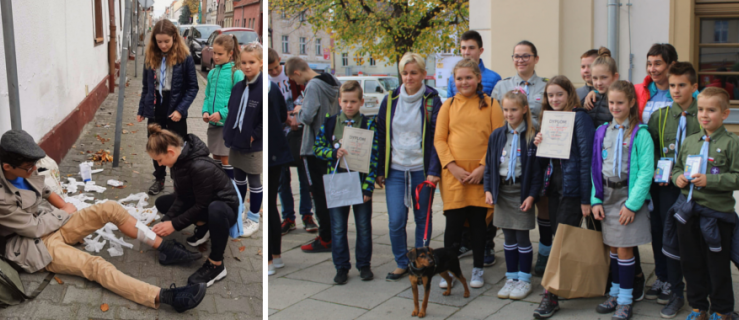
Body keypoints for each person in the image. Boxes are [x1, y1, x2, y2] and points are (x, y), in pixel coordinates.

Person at [0, 130, 205, 313]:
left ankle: (166, 248)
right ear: (8, 166)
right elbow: (34, 229)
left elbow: (44, 190)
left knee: (110, 208)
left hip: (53, 223)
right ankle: (166, 297)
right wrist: (64, 213)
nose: (33, 169)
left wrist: (63, 206)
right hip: (32, 245)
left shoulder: (25, 168)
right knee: (95, 266)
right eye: (29, 167)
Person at [668, 87, 739, 320]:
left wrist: (712, 180)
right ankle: (698, 308)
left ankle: (722, 310)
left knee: (717, 266)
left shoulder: (732, 143)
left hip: (717, 215)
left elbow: (737, 176)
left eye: (711, 110)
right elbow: (678, 167)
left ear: (725, 113)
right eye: (700, 109)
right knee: (691, 263)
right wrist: (676, 177)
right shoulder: (690, 142)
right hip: (689, 213)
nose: (704, 114)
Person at [435, 58, 504, 289]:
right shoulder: (448, 105)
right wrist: (452, 166)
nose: (464, 82)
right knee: (453, 227)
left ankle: (477, 269)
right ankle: (449, 270)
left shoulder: (492, 104)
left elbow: (498, 139)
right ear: (454, 81)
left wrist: (483, 168)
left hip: (480, 176)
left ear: (478, 78)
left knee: (478, 226)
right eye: (459, 78)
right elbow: (439, 139)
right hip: (454, 176)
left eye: (468, 77)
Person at [375, 52, 442, 281]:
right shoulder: (390, 100)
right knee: (396, 219)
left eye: (414, 72)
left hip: (420, 170)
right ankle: (402, 262)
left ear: (423, 74)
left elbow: (437, 137)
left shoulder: (433, 100)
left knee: (422, 219)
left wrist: (434, 170)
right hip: (395, 170)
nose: (409, 77)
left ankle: (420, 264)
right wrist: (379, 170)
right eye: (405, 73)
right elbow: (381, 134)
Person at [531, 76, 594, 319]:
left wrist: (586, 199)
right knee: (560, 238)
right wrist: (539, 144)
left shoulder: (580, 118)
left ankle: (550, 296)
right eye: (550, 95)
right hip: (554, 190)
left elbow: (587, 159)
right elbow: (544, 161)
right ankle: (558, 288)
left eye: (559, 94)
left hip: (573, 191)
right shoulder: (549, 120)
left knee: (560, 244)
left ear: (569, 94)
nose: (555, 99)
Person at [591, 80, 654, 320]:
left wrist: (632, 205)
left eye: (620, 102)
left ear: (630, 103)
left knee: (626, 248)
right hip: (607, 195)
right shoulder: (602, 132)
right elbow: (594, 168)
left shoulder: (641, 134)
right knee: (614, 247)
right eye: (611, 103)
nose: (615, 107)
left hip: (628, 198)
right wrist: (595, 199)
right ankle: (616, 292)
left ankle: (626, 300)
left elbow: (646, 172)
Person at [148, 124, 240, 287]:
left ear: (170, 152)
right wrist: (167, 220)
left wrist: (174, 225)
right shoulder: (179, 160)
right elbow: (183, 197)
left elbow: (201, 205)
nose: (160, 165)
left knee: (215, 209)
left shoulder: (199, 166)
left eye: (159, 160)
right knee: (163, 203)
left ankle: (216, 265)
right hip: (204, 202)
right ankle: (204, 227)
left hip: (224, 209)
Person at [646, 62, 700, 318]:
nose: (676, 91)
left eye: (682, 85)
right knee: (665, 235)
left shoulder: (702, 114)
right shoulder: (662, 115)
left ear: (694, 87)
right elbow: (653, 150)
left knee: (691, 238)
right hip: (665, 187)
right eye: (673, 85)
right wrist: (660, 172)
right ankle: (670, 284)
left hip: (695, 189)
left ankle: (697, 289)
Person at [492, 41, 551, 274]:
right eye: (516, 56)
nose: (520, 60)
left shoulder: (545, 87)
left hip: (538, 151)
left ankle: (545, 253)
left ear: (535, 59)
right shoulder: (501, 86)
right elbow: (496, 118)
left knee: (542, 203)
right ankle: (515, 270)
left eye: (526, 56)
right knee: (514, 214)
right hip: (512, 152)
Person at [313, 81, 379, 284]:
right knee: (339, 227)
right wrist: (333, 153)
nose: (349, 105)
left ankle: (364, 265)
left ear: (360, 102)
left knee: (363, 226)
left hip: (360, 184)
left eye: (353, 101)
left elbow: (373, 158)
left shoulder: (368, 124)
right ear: (339, 101)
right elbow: (318, 148)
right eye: (345, 101)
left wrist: (368, 187)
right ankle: (341, 266)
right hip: (339, 183)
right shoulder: (330, 123)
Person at [485, 88, 542, 301]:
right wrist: (488, 189)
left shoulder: (533, 136)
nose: (509, 114)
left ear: (525, 109)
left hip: (522, 193)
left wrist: (532, 196)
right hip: (503, 191)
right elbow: (490, 165)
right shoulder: (497, 135)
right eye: (506, 109)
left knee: (522, 237)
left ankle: (524, 279)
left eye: (514, 110)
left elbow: (537, 172)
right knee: (508, 237)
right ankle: (511, 277)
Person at [137, 19, 198, 196]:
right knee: (156, 144)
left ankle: (180, 183)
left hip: (176, 105)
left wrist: (181, 110)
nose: (163, 45)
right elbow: (146, 87)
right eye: (159, 41)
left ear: (174, 38)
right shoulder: (150, 57)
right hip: (156, 106)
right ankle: (159, 178)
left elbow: (193, 87)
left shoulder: (184, 58)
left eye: (167, 41)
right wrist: (142, 110)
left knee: (177, 146)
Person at [287, 57, 341, 253]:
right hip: (331, 146)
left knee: (318, 195)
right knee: (331, 194)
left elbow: (308, 116)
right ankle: (335, 234)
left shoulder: (313, 86)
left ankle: (325, 238)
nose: (297, 84)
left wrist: (298, 111)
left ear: (297, 73)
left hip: (313, 148)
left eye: (294, 80)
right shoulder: (333, 82)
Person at [267, 48, 317, 235]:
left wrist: (298, 117)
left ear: (280, 61)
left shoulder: (290, 75)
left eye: (274, 68)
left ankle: (307, 215)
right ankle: (288, 217)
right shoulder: (266, 81)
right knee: (282, 179)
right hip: (279, 134)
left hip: (300, 132)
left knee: (305, 176)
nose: (273, 72)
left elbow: (306, 99)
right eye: (269, 69)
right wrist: (286, 119)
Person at [223, 42, 263, 238]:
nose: (247, 66)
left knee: (254, 180)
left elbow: (268, 118)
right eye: (244, 62)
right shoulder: (239, 86)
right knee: (238, 178)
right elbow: (232, 110)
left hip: (253, 145)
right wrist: (228, 132)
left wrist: (255, 134)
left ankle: (254, 217)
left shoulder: (264, 88)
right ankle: (239, 210)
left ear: (261, 63)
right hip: (236, 141)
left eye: (252, 62)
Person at [584, 43, 681, 124]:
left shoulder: (685, 92)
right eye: (649, 64)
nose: (652, 69)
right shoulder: (637, 90)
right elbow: (617, 95)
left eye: (658, 64)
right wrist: (595, 92)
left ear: (672, 65)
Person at [201, 34, 245, 180]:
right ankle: (220, 188)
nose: (216, 57)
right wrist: (205, 111)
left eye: (220, 54)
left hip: (227, 125)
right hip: (213, 124)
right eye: (214, 53)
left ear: (230, 54)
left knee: (226, 159)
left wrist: (221, 113)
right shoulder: (212, 73)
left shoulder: (236, 73)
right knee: (216, 157)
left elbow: (239, 101)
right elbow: (207, 96)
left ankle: (231, 189)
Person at [268, 78, 292, 276]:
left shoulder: (261, 87)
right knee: (272, 206)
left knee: (268, 207)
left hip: (268, 151)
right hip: (276, 150)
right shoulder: (273, 87)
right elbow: (284, 114)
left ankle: (270, 260)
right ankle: (276, 256)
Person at [447, 30, 502, 97]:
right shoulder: (452, 78)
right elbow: (450, 105)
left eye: (471, 48)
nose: (466, 52)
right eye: (464, 48)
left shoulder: (494, 78)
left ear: (480, 51)